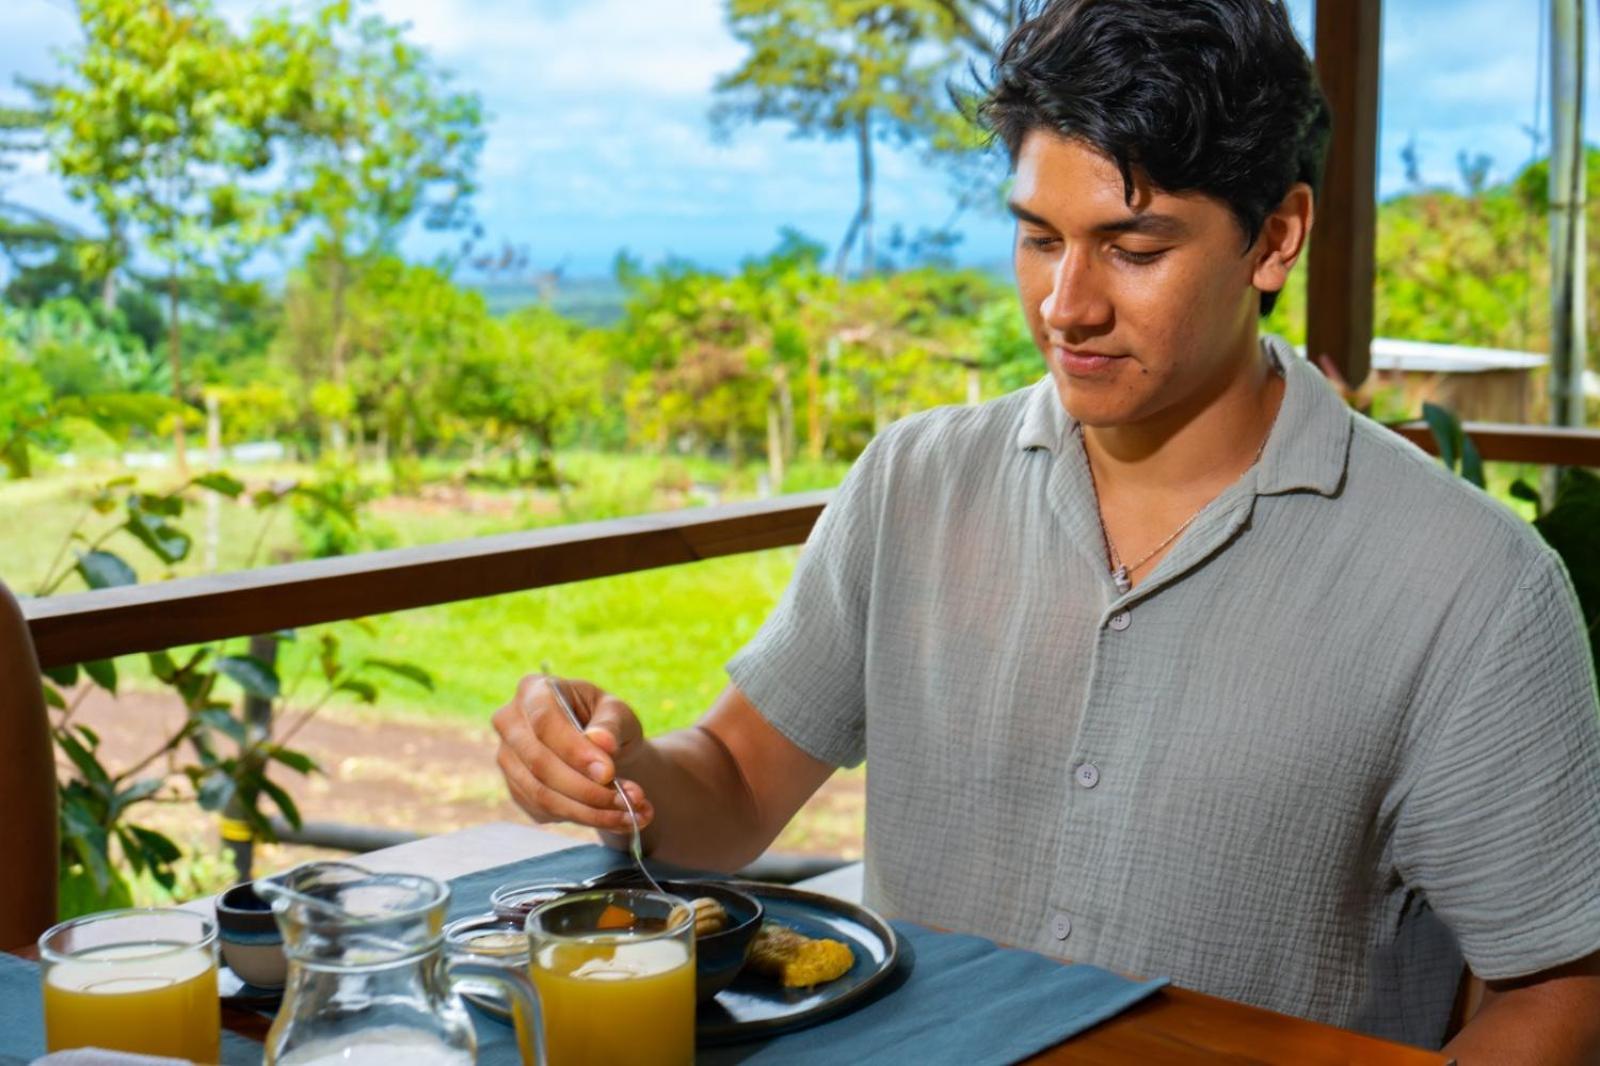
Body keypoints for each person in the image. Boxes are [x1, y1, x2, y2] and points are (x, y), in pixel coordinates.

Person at [494, 1, 1600, 1058]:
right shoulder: (911, 482)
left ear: (1275, 239)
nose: (1064, 305)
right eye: (1037, 238)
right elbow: (731, 788)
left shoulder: (1471, 583)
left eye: (1133, 247)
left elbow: (1563, 993)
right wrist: (620, 768)